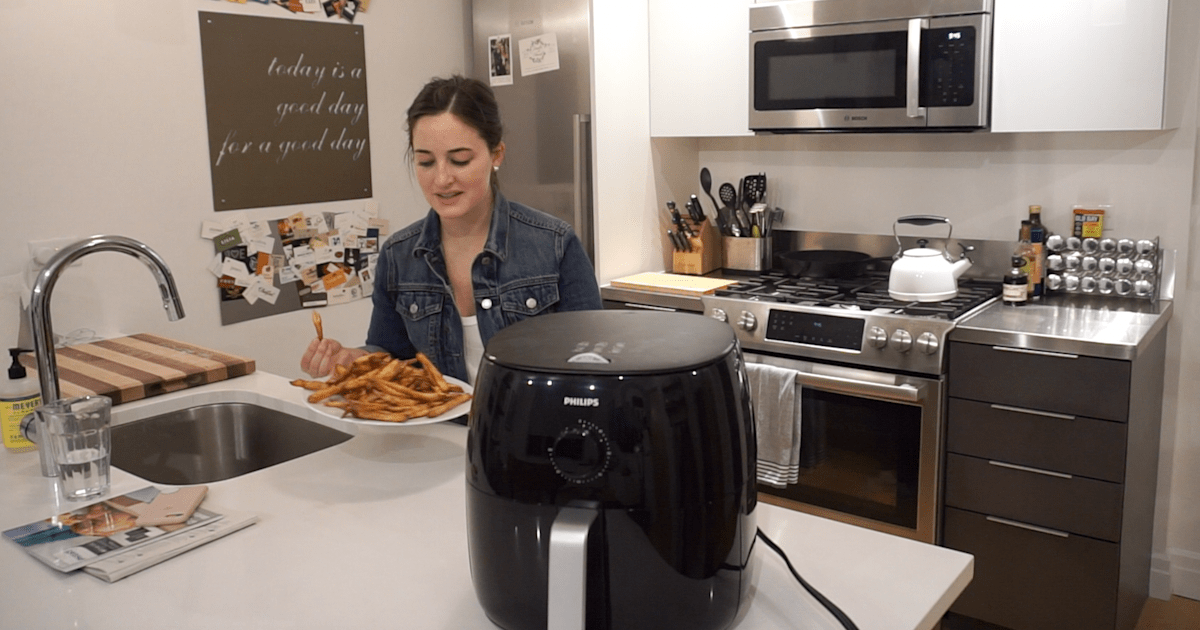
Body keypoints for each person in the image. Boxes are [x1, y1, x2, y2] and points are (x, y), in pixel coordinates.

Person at [301, 75, 602, 386]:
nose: (441, 179)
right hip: (441, 434)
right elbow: (391, 357)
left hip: (537, 432)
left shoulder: (554, 244)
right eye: (426, 162)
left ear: (496, 154)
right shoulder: (398, 256)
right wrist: (355, 359)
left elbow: (593, 361)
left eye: (459, 160)